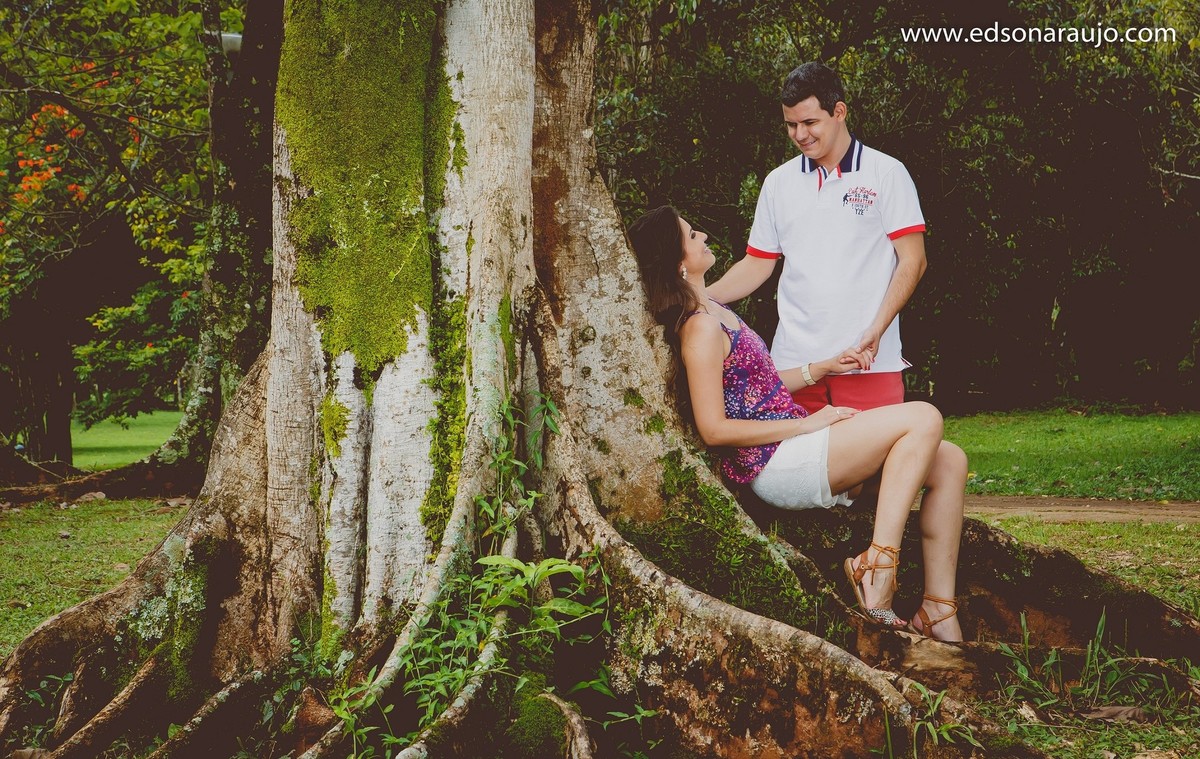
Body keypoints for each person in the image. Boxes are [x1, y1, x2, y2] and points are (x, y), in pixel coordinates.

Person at [628, 205, 966, 642]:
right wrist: (804, 427)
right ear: (678, 261)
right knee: (923, 417)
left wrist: (823, 368)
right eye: (692, 236)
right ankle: (876, 568)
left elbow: (761, 384)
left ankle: (937, 608)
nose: (703, 236)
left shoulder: (714, 308)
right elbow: (714, 428)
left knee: (950, 460)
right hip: (777, 462)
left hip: (796, 442)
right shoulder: (699, 330)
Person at [707, 61, 926, 414]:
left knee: (878, 465)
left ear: (839, 111)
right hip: (793, 366)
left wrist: (877, 328)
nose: (799, 134)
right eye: (791, 125)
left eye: (810, 122)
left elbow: (913, 261)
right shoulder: (778, 182)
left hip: (867, 361)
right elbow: (757, 265)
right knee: (799, 466)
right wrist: (698, 298)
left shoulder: (886, 173)